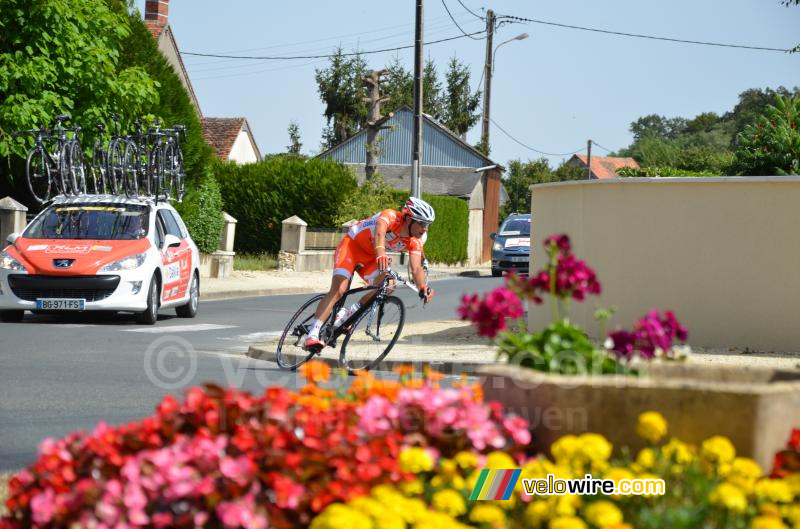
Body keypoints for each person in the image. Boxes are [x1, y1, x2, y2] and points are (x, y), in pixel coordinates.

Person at [304, 197, 436, 350]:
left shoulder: (416, 240)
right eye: (422, 223)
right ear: (408, 219)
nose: (425, 229)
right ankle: (312, 334)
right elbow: (379, 233)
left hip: (370, 258)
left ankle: (348, 315)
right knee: (339, 289)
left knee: (388, 285)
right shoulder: (391, 216)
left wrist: (422, 286)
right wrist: (381, 254)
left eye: (427, 225)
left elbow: (416, 268)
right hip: (352, 247)